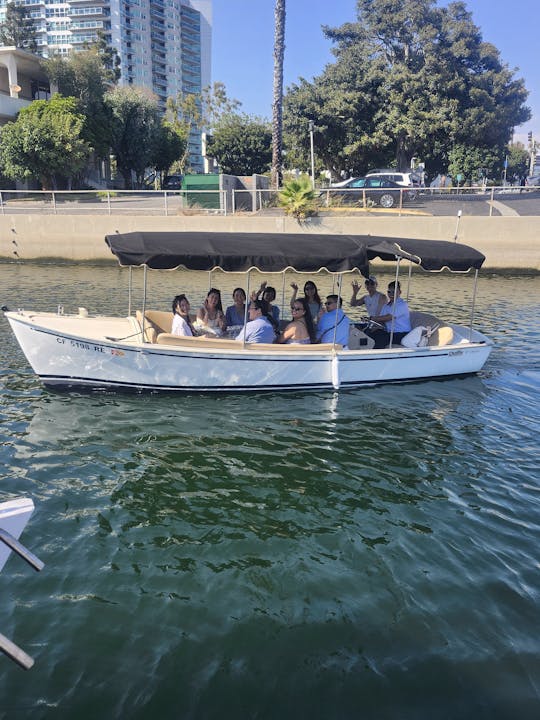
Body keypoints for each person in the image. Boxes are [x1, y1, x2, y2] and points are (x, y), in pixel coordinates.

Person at [365, 280, 411, 348]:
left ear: (400, 292)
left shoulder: (402, 305)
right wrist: (374, 325)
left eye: (394, 292)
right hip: (390, 332)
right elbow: (381, 320)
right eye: (389, 292)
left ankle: (376, 356)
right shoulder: (386, 305)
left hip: (401, 334)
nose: (391, 294)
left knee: (379, 340)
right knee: (368, 333)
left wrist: (373, 318)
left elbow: (389, 317)